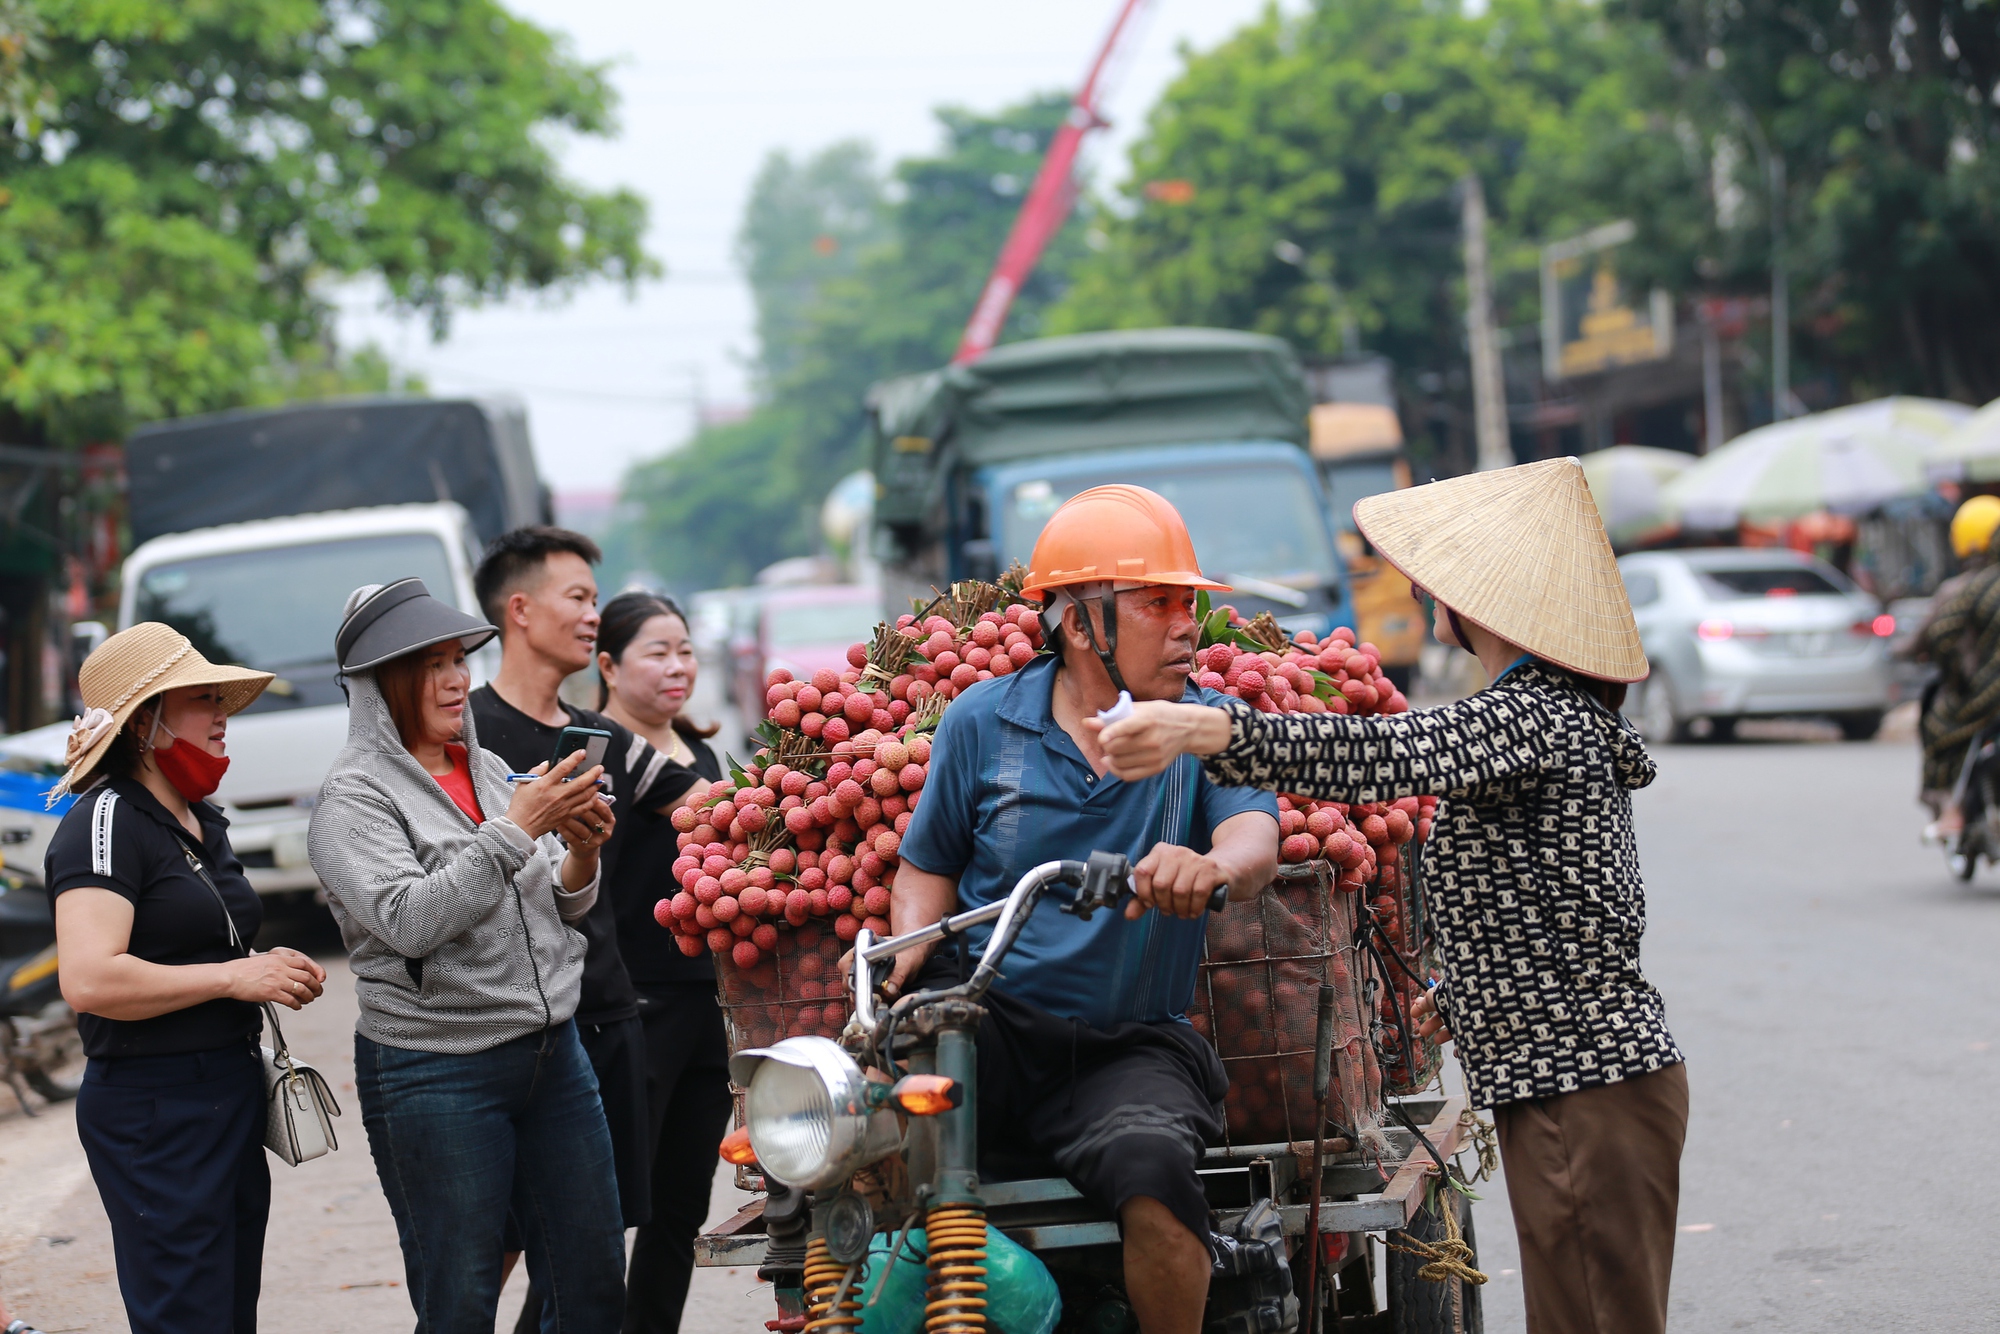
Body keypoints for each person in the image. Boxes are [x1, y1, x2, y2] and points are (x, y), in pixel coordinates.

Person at [1091, 458, 1688, 1334]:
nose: (1419, 591)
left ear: (1481, 603)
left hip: (1583, 1089)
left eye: (1436, 582)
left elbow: (1387, 756)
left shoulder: (1536, 717)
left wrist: (1205, 728)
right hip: (1570, 1086)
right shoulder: (1548, 715)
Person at [885, 486, 1280, 1334]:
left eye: (1189, 606)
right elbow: (928, 863)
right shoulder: (981, 722)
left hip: (1126, 1044)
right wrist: (910, 943)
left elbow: (1255, 841)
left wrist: (1208, 866)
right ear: (1079, 623)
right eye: (1158, 603)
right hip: (987, 1020)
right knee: (875, 1134)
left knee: (1156, 1175)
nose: (1186, 626)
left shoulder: (1207, 724)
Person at [307, 577, 625, 1333]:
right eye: (432, 664)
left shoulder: (485, 770)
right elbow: (411, 922)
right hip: (435, 1070)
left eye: (459, 660)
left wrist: (579, 852)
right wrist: (518, 829)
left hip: (556, 1055)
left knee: (592, 1283)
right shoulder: (353, 800)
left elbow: (556, 902)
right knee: (460, 1298)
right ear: (381, 685)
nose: (457, 680)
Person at [46, 622, 326, 1334]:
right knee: (186, 1318)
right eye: (203, 700)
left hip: (225, 1094)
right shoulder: (103, 823)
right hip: (155, 1110)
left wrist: (266, 971)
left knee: (228, 1314)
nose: (222, 716)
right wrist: (234, 979)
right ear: (147, 722)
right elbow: (89, 979)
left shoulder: (201, 818)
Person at [465, 529, 695, 1329]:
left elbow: (712, 811)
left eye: (597, 600)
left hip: (600, 1017)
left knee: (587, 1260)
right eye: (579, 598)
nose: (594, 615)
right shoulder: (465, 736)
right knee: (489, 1255)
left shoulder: (612, 743)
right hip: (501, 1031)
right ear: (520, 610)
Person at [595, 591, 732, 1334]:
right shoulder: (603, 753)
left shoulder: (700, 751)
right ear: (609, 665)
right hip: (636, 1005)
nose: (677, 666)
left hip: (707, 1004)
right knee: (614, 1204)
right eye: (657, 651)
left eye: (684, 649)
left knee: (680, 1206)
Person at [1915, 495, 2000, 839]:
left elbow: (1940, 634)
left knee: (1939, 730)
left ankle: (1952, 813)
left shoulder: (1972, 587)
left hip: (1987, 692)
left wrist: (1956, 674)